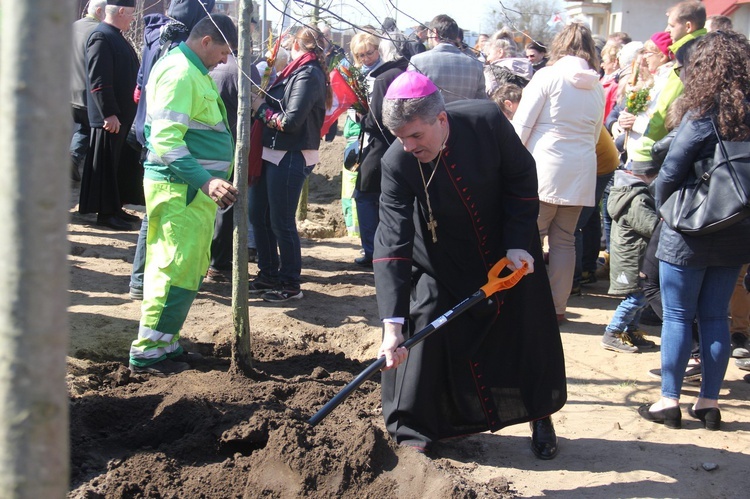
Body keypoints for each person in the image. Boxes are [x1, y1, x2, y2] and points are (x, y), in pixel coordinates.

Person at [374, 71, 566, 459]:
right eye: (400, 138)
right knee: (425, 322)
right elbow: (392, 240)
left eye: (416, 136)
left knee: (527, 330)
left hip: (508, 251)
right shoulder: (397, 162)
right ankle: (416, 430)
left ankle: (540, 415)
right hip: (444, 257)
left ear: (441, 121)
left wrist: (516, 243)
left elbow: (522, 177)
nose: (409, 147)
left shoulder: (486, 121)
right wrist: (391, 324)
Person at [639, 30, 750, 431]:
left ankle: (668, 401)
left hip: (689, 228)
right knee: (716, 317)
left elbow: (670, 170)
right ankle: (708, 403)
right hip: (738, 228)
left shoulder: (704, 113)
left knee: (679, 317)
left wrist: (668, 210)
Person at [128, 14, 239, 376]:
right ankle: (148, 353)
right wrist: (206, 181)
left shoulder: (194, 72)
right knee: (172, 268)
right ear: (206, 41)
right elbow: (165, 140)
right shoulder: (179, 73)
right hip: (181, 189)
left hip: (190, 191)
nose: (226, 60)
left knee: (187, 267)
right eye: (224, 51)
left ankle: (166, 342)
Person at [512, 23, 604, 323]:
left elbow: (522, 125)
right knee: (564, 241)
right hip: (580, 171)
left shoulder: (548, 76)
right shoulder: (597, 86)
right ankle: (557, 307)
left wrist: (510, 164)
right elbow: (594, 134)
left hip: (545, 168)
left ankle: (524, 302)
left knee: (530, 238)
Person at [128, 0, 216, 300]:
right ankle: (146, 282)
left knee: (153, 215)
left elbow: (140, 82)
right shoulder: (180, 53)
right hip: (166, 137)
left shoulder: (155, 37)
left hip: (148, 127)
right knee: (161, 215)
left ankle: (140, 280)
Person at [248, 26, 330, 302]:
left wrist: (259, 107)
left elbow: (291, 122)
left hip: (291, 154)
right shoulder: (291, 70)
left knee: (281, 221)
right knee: (258, 215)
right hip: (272, 153)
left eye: (285, 41)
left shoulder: (308, 74)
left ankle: (290, 283)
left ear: (296, 43)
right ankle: (268, 274)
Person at [79, 0, 140, 231]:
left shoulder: (114, 35)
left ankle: (114, 208)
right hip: (109, 119)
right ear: (121, 11)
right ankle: (105, 214)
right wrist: (109, 113)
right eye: (132, 14)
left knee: (115, 166)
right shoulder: (101, 36)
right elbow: (98, 80)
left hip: (120, 117)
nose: (133, 19)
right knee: (106, 166)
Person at [600, 163, 660, 353]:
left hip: (634, 256)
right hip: (634, 258)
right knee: (636, 298)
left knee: (639, 296)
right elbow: (651, 227)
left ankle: (630, 331)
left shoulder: (629, 193)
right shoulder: (638, 199)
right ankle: (612, 332)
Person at [408, 14, 486, 104]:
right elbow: (481, 102)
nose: (427, 38)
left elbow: (410, 100)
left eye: (428, 34)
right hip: (464, 117)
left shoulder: (417, 62)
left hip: (431, 117)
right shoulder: (476, 65)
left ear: (434, 33)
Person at [70, 0, 106, 182]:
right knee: (87, 129)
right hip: (87, 93)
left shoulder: (73, 26)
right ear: (100, 11)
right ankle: (73, 158)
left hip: (68, 90)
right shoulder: (99, 32)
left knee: (80, 129)